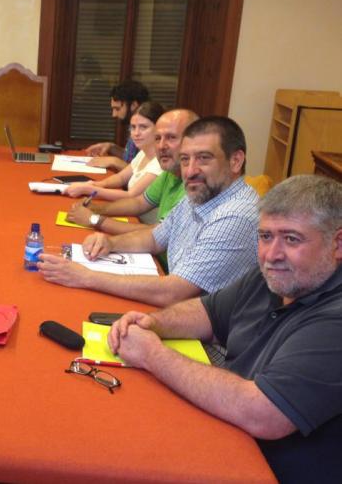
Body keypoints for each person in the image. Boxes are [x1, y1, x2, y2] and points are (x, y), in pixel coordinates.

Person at [107, 175, 342, 483]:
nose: (272, 255)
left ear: (337, 243)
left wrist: (151, 354)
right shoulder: (276, 277)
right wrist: (153, 322)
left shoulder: (334, 319)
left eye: (292, 239)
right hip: (226, 435)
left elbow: (262, 413)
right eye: (266, 236)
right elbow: (207, 313)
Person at [39, 116, 258, 307]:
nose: (190, 171)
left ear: (235, 161)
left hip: (208, 337)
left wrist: (86, 277)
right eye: (185, 159)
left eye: (204, 158)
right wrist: (110, 243)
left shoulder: (235, 215)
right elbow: (155, 238)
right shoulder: (204, 194)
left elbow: (173, 293)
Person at [67, 109, 198, 234]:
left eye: (171, 137)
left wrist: (94, 219)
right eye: (158, 138)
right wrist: (95, 208)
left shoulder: (196, 186)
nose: (161, 146)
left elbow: (159, 233)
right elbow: (139, 203)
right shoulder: (169, 173)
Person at [65, 101, 164, 201]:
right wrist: (96, 184)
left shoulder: (160, 162)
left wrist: (88, 189)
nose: (136, 133)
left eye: (143, 127)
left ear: (159, 129)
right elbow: (121, 178)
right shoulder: (143, 153)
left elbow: (131, 196)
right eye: (133, 127)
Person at [84, 80, 149, 172]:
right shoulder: (133, 125)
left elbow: (141, 172)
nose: (114, 114)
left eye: (117, 109)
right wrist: (111, 147)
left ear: (133, 105)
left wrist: (114, 161)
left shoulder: (150, 131)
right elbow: (130, 159)